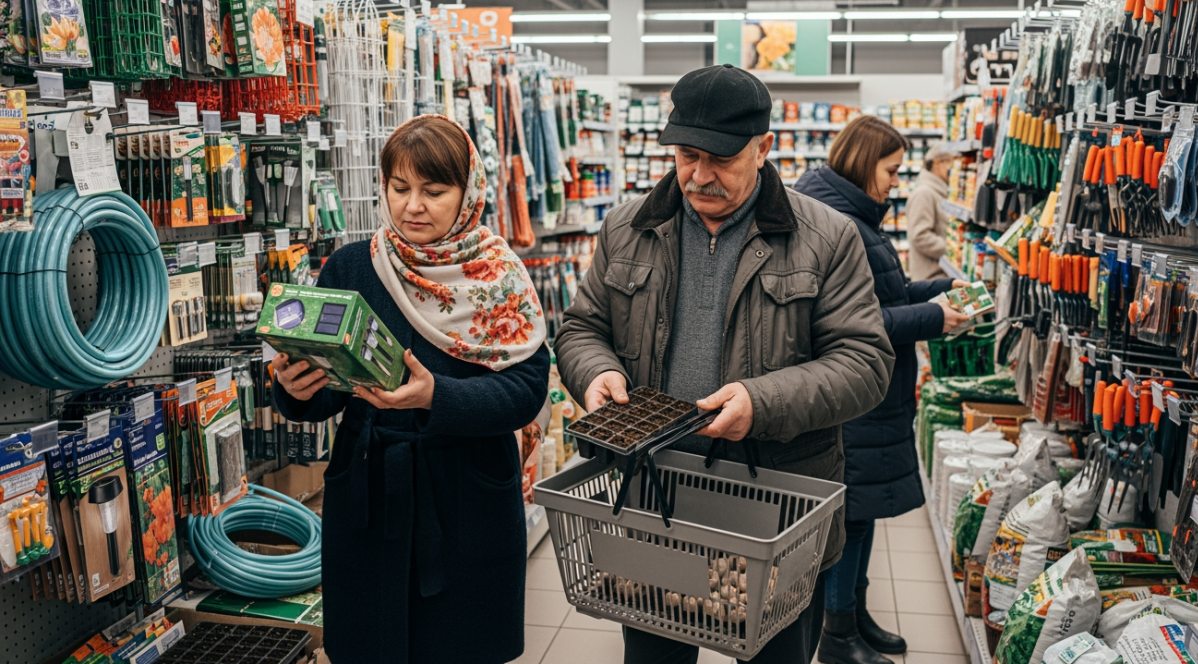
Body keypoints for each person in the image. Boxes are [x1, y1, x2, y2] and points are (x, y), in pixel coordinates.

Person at [555, 64, 896, 664]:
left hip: (775, 507)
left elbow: (865, 362)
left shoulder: (828, 238)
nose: (700, 175)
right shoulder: (628, 228)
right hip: (654, 498)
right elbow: (583, 328)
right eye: (687, 155)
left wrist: (760, 403)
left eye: (722, 159)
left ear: (764, 149)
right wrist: (594, 372)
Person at [270, 115, 551, 664]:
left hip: (465, 496)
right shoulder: (354, 265)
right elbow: (330, 389)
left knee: (459, 646)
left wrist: (435, 398)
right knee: (368, 644)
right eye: (399, 188)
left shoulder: (498, 277)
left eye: (433, 190)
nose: (412, 206)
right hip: (370, 488)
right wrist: (295, 388)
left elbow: (526, 390)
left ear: (468, 193)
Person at [794, 116, 969, 664]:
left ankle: (854, 616)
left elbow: (882, 292)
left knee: (862, 514)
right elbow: (858, 324)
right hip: (854, 395)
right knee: (849, 517)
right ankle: (836, 634)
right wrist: (933, 318)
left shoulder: (855, 217)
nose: (898, 180)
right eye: (891, 169)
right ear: (862, 162)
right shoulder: (838, 223)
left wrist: (938, 289)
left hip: (874, 393)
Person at [904, 147, 955, 281]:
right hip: (931, 278)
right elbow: (920, 236)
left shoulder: (939, 192)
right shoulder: (924, 193)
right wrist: (953, 249)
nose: (955, 169)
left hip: (940, 276)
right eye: (951, 163)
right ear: (938, 164)